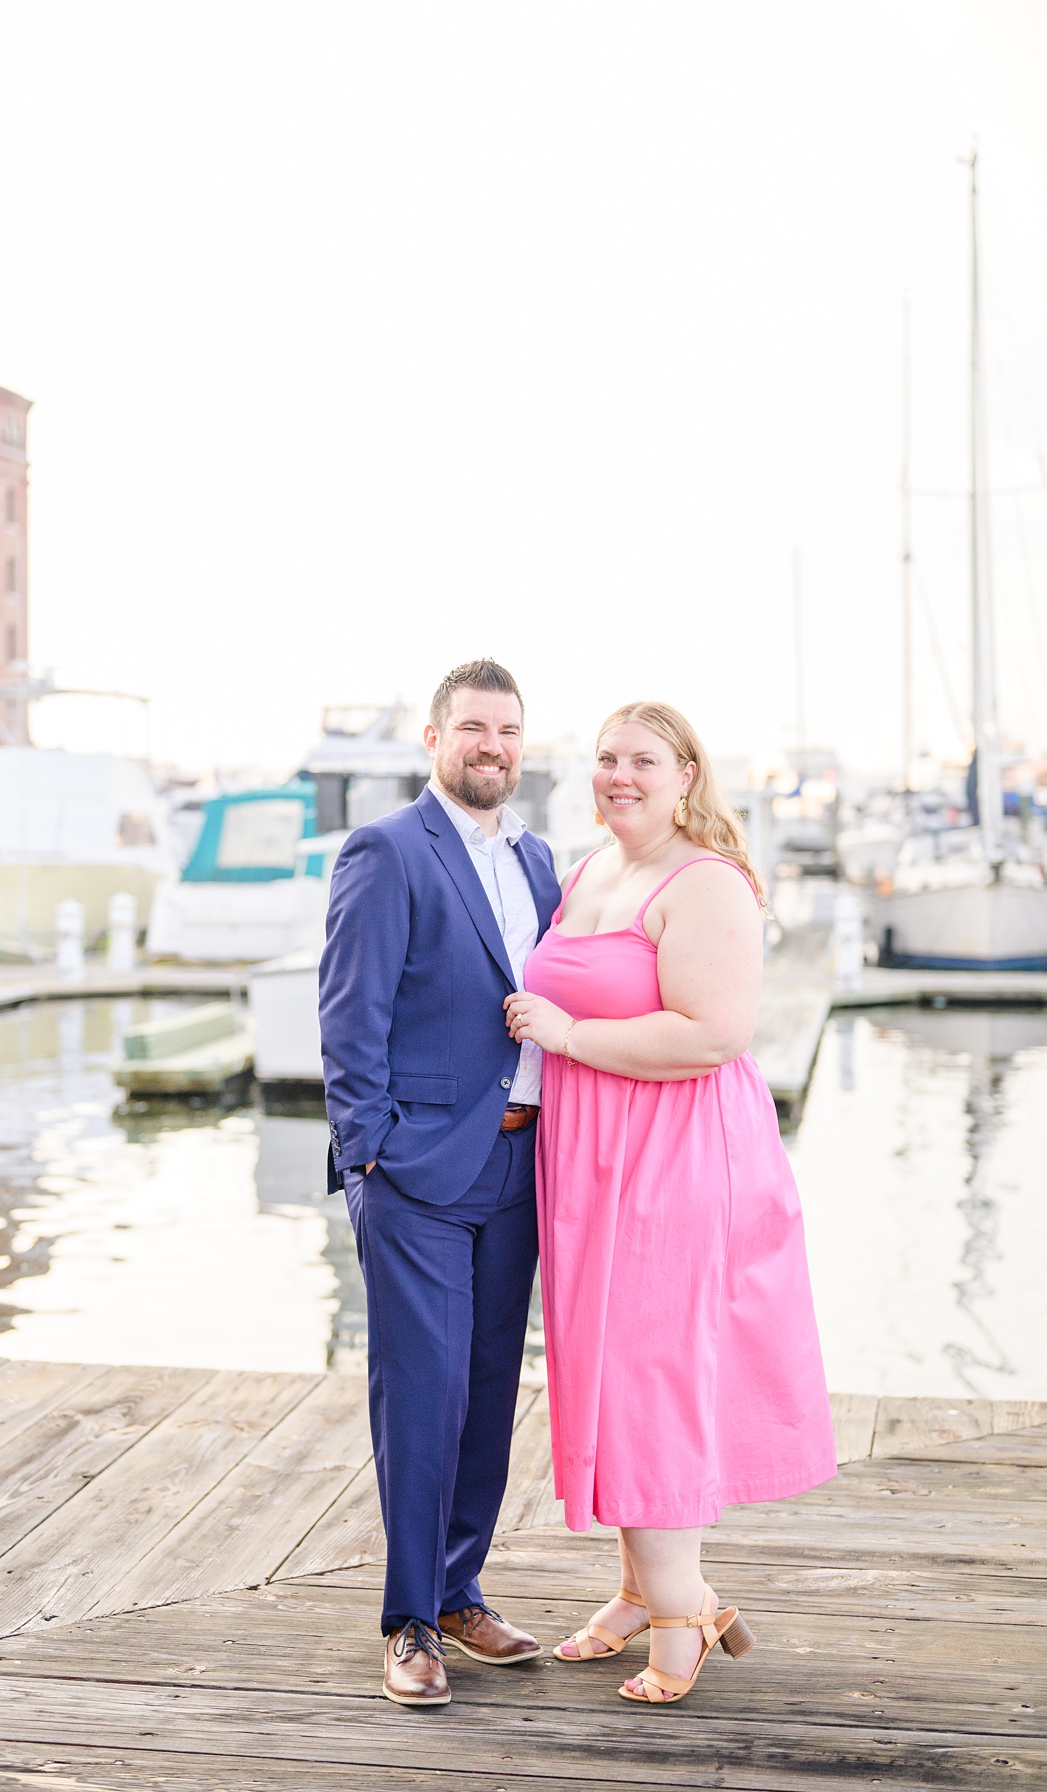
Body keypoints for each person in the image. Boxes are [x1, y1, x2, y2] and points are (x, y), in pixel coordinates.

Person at [506, 701, 834, 1706]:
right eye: (607, 758)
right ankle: (642, 1585)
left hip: (677, 1155)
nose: (620, 775)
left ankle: (688, 1610)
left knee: (651, 1370)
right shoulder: (587, 870)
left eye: (643, 759)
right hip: (592, 1156)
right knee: (606, 1365)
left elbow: (712, 1035)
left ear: (687, 772)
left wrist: (563, 1037)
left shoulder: (708, 883)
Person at [318, 657, 559, 1707]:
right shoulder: (387, 850)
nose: (491, 746)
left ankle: (461, 1590)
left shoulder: (541, 858)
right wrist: (372, 1151)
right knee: (425, 1393)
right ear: (433, 738)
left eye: (507, 730)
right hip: (416, 1170)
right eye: (472, 727)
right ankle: (409, 1618)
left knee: (492, 1392)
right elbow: (347, 1016)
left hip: (518, 1163)